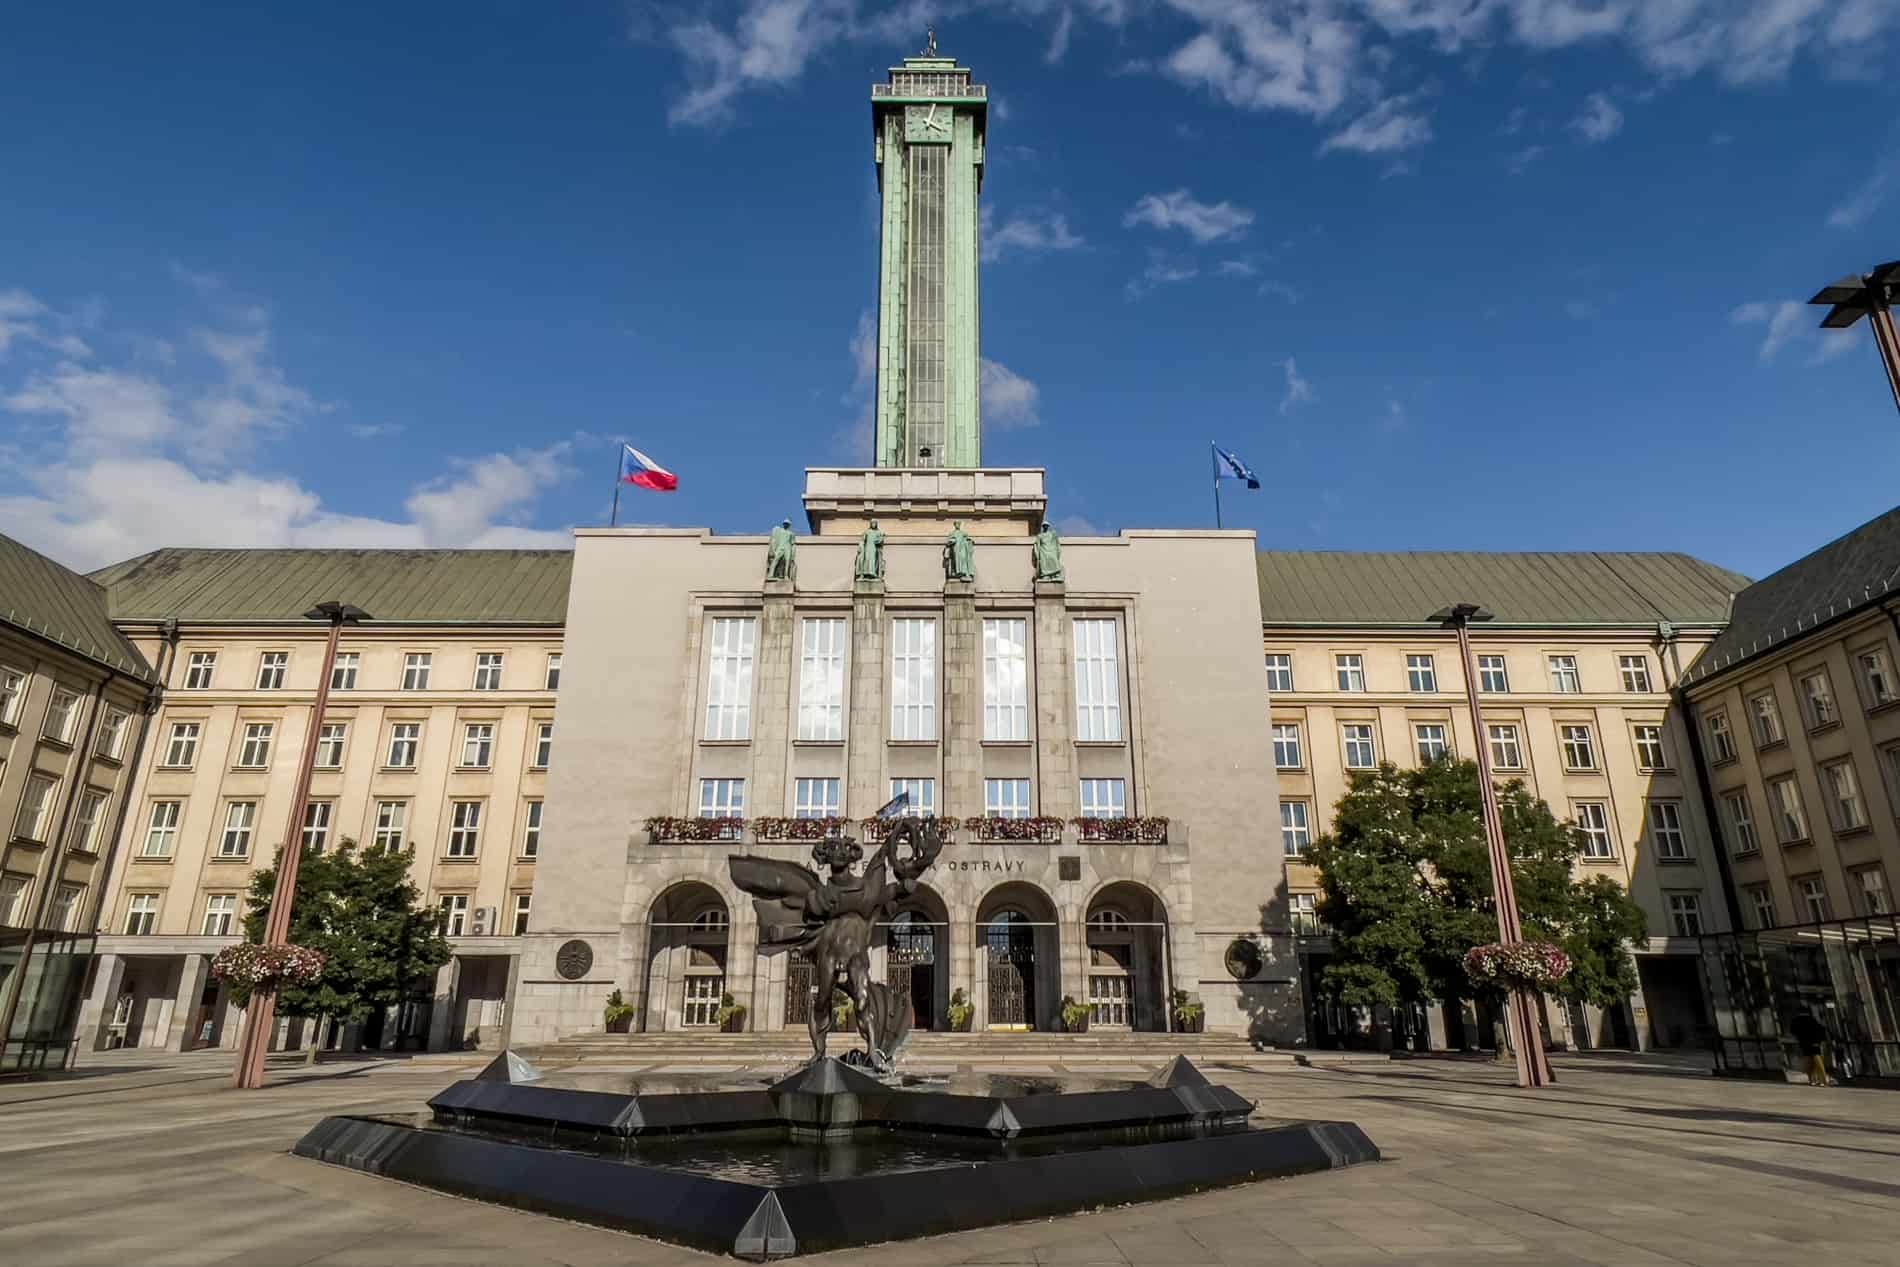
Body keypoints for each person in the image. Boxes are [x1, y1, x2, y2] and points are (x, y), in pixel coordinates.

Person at [1789, 1009, 1829, 1086]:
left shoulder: (1796, 1020)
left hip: (1804, 1042)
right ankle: (1823, 1080)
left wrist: (1798, 1038)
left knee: (1808, 1060)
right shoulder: (1813, 1020)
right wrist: (1820, 1040)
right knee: (1816, 1058)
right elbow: (1821, 1029)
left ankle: (1812, 1080)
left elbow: (1793, 1031)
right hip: (1815, 1042)